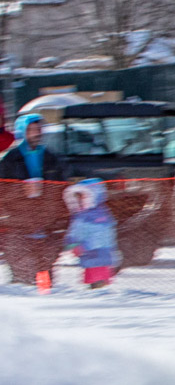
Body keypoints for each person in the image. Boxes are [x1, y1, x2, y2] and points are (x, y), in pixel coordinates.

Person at [0, 112, 70, 287]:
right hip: (18, 222)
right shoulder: (9, 160)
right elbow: (2, 192)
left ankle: (46, 297)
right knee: (21, 268)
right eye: (31, 129)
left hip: (47, 220)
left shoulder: (51, 158)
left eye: (38, 129)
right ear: (22, 131)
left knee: (46, 267)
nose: (36, 133)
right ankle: (23, 297)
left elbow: (62, 185)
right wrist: (21, 190)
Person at [63, 179, 120, 289]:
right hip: (88, 254)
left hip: (98, 252)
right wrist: (71, 241)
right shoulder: (81, 214)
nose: (81, 199)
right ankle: (96, 290)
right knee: (91, 277)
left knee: (98, 278)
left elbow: (101, 236)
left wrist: (83, 246)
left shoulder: (98, 215)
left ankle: (100, 290)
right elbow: (76, 230)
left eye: (85, 196)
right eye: (80, 196)